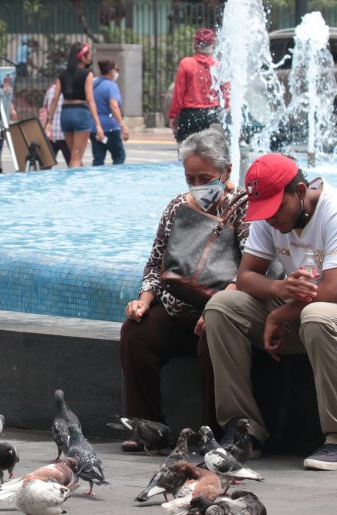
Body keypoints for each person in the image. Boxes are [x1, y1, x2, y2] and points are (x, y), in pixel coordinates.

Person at [203, 153, 337, 470]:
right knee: (222, 307)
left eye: (277, 209)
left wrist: (279, 314)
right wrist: (278, 289)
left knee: (317, 315)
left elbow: (334, 291)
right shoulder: (270, 218)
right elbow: (247, 275)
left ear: (301, 191)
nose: (271, 219)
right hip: (308, 313)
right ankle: (244, 432)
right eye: (263, 211)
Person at [120, 129, 249, 447]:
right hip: (178, 311)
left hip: (219, 314)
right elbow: (154, 264)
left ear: (226, 171)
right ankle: (148, 427)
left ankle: (211, 435)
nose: (197, 187)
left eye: (204, 178)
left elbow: (250, 271)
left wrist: (218, 306)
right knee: (136, 333)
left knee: (213, 340)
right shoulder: (177, 207)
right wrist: (144, 299)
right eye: (190, 178)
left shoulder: (245, 208)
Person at [46, 42, 103, 168]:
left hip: (65, 114)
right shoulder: (87, 74)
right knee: (76, 158)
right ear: (82, 57)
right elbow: (90, 99)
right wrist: (98, 125)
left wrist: (49, 121)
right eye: (89, 55)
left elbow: (55, 98)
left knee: (74, 156)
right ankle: (74, 186)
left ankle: (79, 182)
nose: (91, 58)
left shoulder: (63, 74)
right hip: (80, 113)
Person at [169, 28, 226, 143]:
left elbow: (179, 94)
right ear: (213, 45)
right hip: (212, 115)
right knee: (212, 154)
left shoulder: (186, 63)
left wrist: (174, 115)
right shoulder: (218, 66)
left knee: (188, 154)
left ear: (195, 45)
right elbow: (226, 93)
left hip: (190, 116)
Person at [91, 59, 128, 166]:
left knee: (98, 159)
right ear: (111, 71)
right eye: (116, 69)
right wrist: (122, 125)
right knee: (119, 156)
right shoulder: (111, 86)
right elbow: (114, 106)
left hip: (95, 129)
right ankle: (114, 179)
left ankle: (97, 180)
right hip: (110, 128)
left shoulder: (93, 84)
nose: (117, 73)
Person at [39, 80, 70, 166]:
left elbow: (45, 107)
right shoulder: (70, 90)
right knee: (72, 162)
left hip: (52, 132)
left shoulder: (51, 90)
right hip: (65, 133)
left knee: (46, 164)